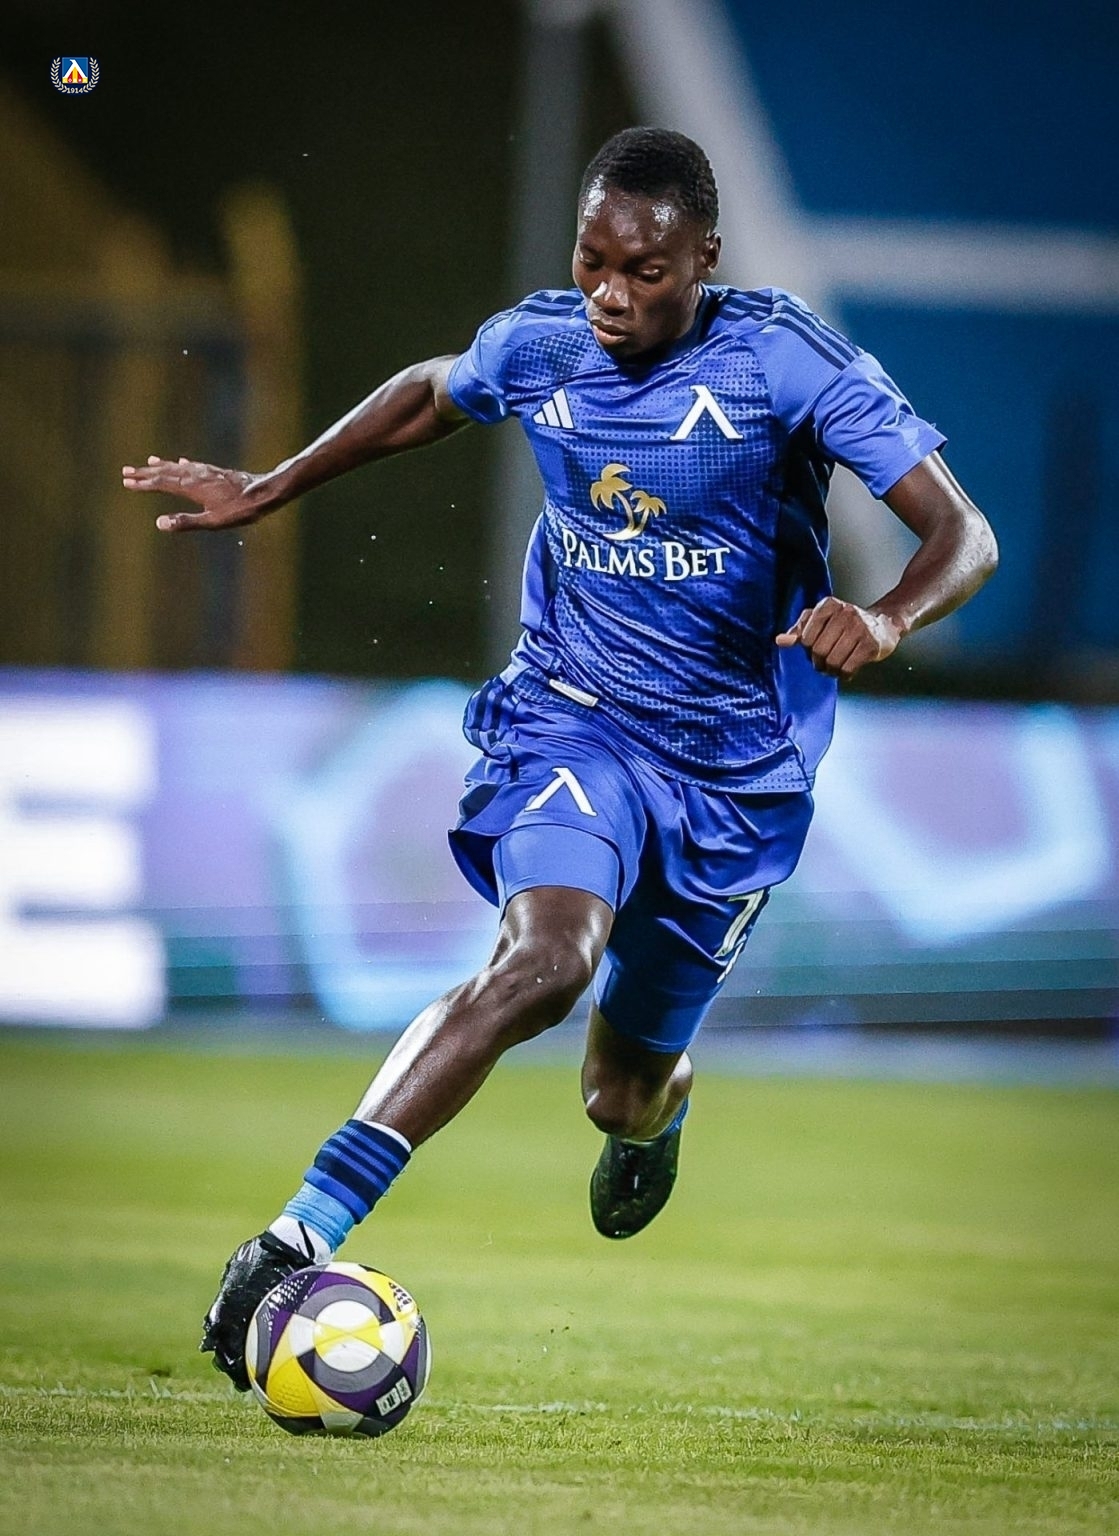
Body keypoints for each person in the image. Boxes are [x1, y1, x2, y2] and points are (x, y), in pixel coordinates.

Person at [123, 127, 997, 1389]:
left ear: (704, 258)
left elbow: (962, 532)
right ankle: (301, 1230)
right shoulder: (543, 344)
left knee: (616, 1092)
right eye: (593, 262)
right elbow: (431, 390)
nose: (611, 296)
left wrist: (890, 615)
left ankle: (661, 1104)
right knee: (545, 961)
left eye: (646, 271)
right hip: (573, 719)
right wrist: (275, 483)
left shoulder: (782, 360)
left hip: (736, 771)